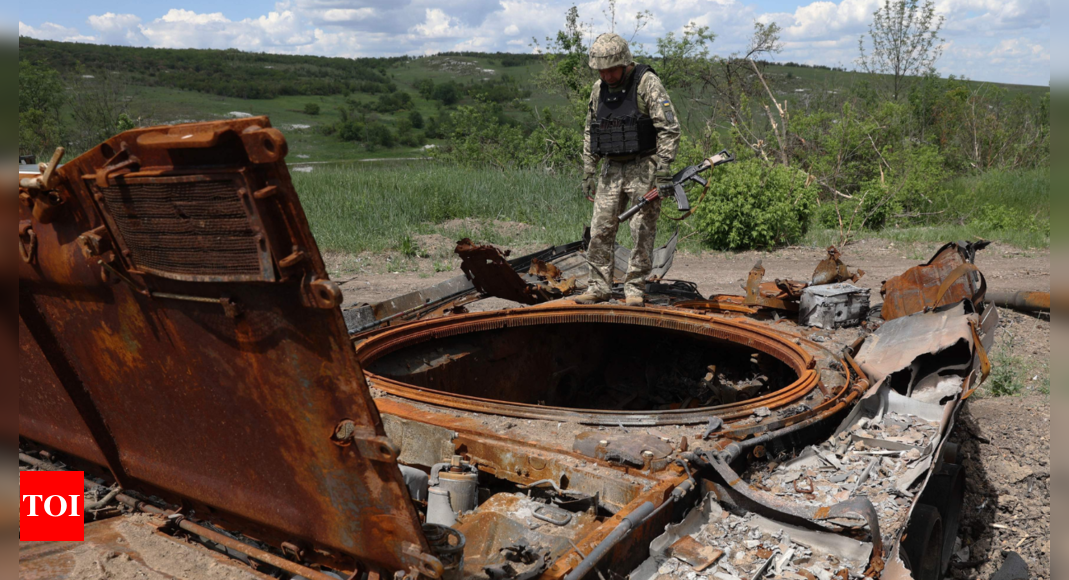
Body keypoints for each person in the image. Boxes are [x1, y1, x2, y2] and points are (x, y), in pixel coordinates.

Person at [574, 33, 681, 307]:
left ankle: (634, 288)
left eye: (611, 70)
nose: (607, 75)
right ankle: (598, 286)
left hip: (643, 165)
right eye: (601, 70)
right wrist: (588, 170)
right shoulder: (598, 89)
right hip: (611, 167)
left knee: (641, 230)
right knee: (600, 229)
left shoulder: (647, 82)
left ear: (624, 63)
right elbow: (591, 130)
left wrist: (664, 168)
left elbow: (669, 128)